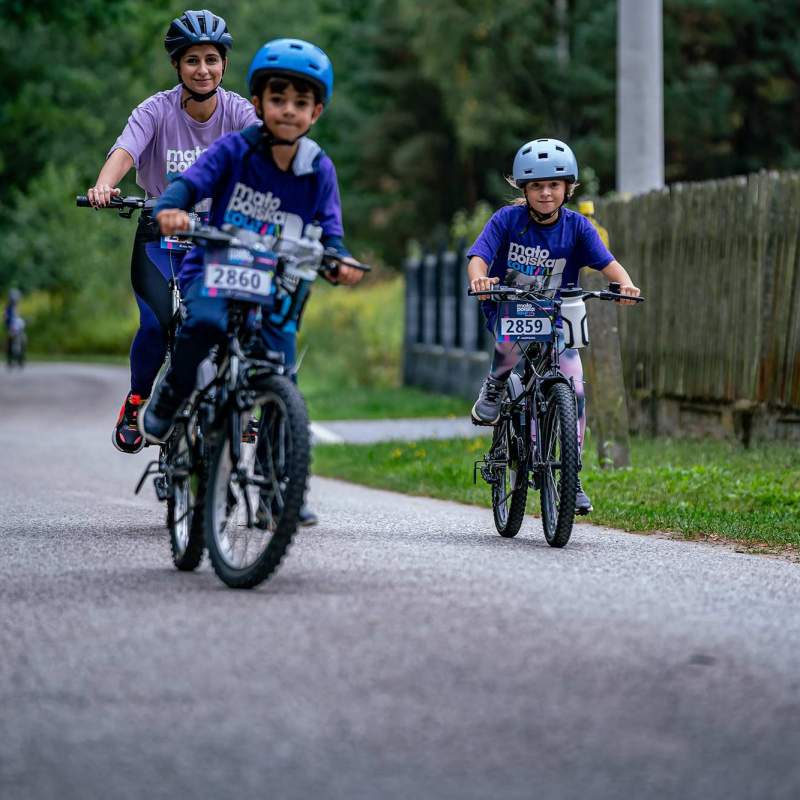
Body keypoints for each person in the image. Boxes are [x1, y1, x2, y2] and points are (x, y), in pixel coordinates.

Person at [139, 37, 365, 523]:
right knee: (202, 326)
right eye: (277, 99)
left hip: (275, 284)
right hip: (216, 269)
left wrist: (340, 262)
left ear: (316, 112)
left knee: (282, 379)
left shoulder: (318, 170)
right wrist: (171, 208)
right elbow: (188, 184)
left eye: (300, 103)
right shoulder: (234, 150)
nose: (288, 111)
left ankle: (278, 490)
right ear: (258, 103)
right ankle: (171, 393)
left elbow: (332, 233)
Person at [87, 9, 259, 455]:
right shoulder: (155, 110)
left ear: (223, 64)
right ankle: (138, 400)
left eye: (211, 59)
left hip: (220, 237)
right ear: (177, 66)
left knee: (237, 317)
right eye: (192, 60)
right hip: (161, 234)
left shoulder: (240, 112)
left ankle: (240, 403)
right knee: (157, 321)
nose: (203, 69)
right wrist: (107, 184)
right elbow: (126, 149)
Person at [467, 138, 640, 514]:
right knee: (512, 347)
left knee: (573, 384)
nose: (545, 193)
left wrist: (624, 284)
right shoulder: (506, 220)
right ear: (523, 190)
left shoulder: (577, 227)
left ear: (568, 188)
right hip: (511, 306)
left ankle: (570, 477)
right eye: (536, 186)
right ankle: (496, 384)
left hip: (557, 313)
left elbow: (608, 264)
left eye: (553, 185)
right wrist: (480, 279)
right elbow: (479, 257)